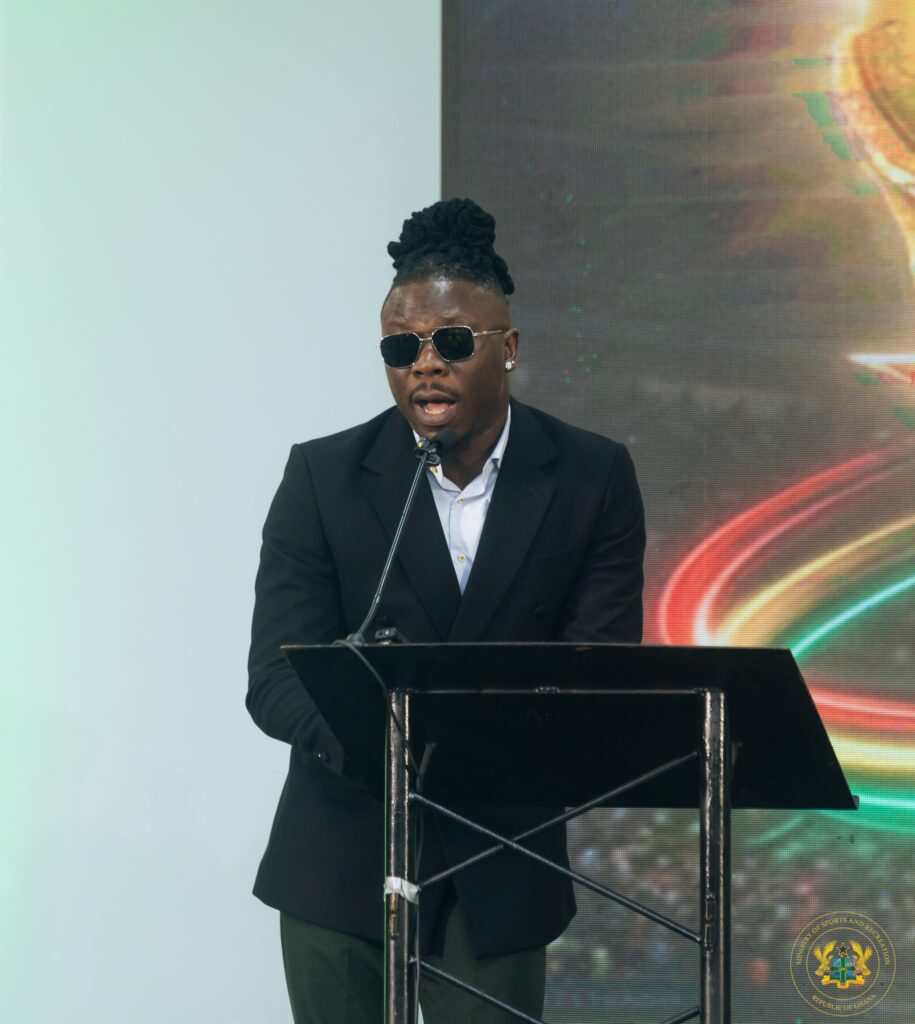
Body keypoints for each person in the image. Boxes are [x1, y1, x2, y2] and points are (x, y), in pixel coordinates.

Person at [247, 198, 646, 1024]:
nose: (425, 365)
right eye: (402, 347)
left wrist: (475, 752)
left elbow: (596, 671)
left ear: (508, 348)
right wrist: (379, 747)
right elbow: (276, 678)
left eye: (453, 341)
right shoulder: (322, 477)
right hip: (341, 859)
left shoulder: (590, 476)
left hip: (498, 859)